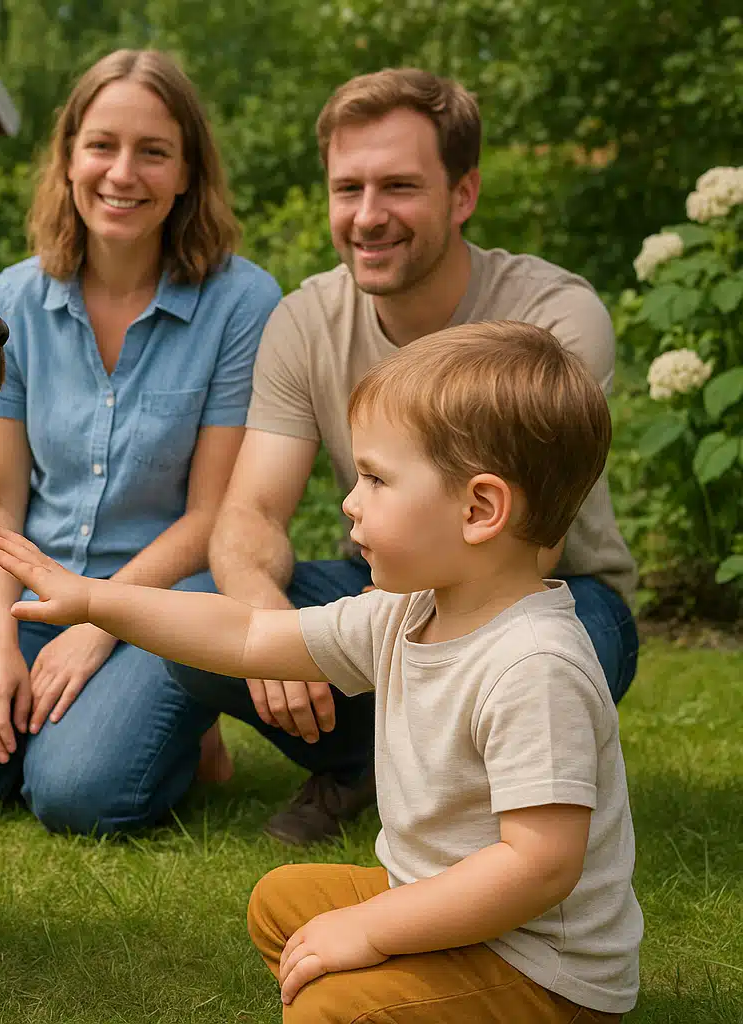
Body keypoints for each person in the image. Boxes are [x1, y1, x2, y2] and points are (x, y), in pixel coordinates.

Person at [0, 320, 642, 1022]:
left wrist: (371, 928)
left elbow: (538, 867)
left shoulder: (533, 664)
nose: (351, 500)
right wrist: (94, 600)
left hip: (539, 972)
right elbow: (250, 633)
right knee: (281, 906)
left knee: (331, 1010)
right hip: (449, 909)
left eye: (378, 479)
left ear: (480, 509)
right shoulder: (408, 611)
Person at [172, 67, 642, 846]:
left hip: (550, 594)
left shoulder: (555, 316)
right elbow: (249, 513)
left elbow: (524, 540)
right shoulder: (305, 322)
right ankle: (368, 767)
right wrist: (264, 623)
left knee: (558, 645)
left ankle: (455, 788)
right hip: (387, 573)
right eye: (347, 188)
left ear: (463, 195)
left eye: (398, 187)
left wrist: (359, 640)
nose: (368, 216)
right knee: (207, 619)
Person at [0, 48, 282, 836]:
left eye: (153, 151)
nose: (122, 173)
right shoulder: (16, 299)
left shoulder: (243, 302)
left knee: (79, 796)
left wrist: (99, 624)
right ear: (68, 160)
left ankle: (187, 726)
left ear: (189, 172)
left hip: (167, 593)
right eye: (101, 146)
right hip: (34, 580)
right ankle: (91, 717)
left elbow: (213, 517)